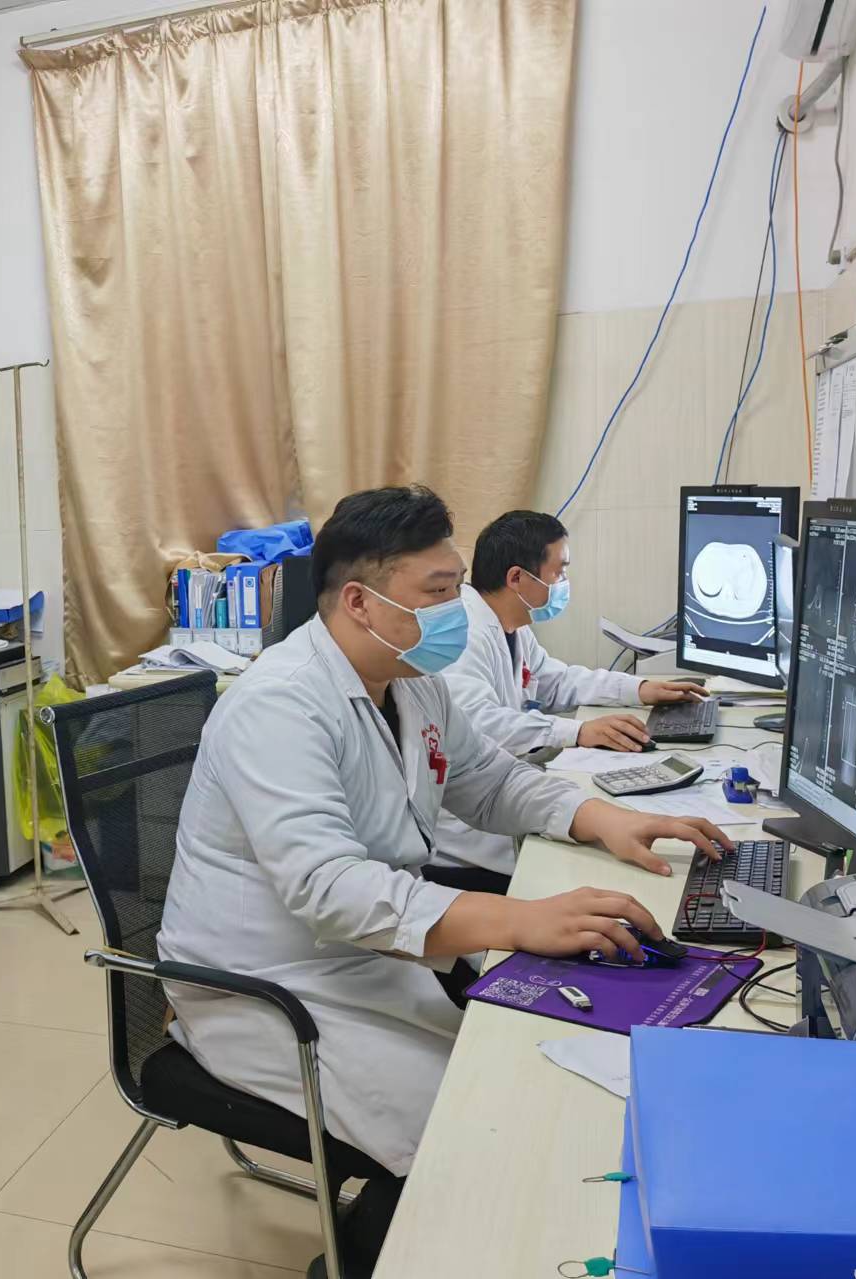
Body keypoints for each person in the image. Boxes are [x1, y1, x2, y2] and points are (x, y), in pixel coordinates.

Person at [155, 487, 729, 1279]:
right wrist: (520, 919)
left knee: (508, 1083)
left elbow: (490, 781)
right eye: (437, 590)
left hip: (362, 958)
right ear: (360, 601)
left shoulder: (411, 679)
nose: (458, 607)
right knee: (465, 1132)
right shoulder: (279, 704)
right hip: (263, 986)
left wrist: (600, 817)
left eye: (457, 585)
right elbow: (329, 886)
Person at [433, 510, 705, 886]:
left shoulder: (510, 625)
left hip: (503, 805)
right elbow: (479, 724)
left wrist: (639, 689)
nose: (563, 584)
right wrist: (577, 732)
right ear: (517, 578)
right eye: (559, 572)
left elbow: (557, 681)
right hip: (470, 848)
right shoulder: (466, 633)